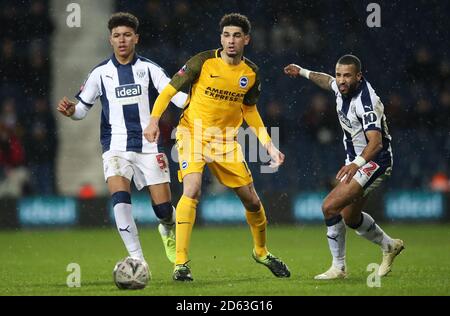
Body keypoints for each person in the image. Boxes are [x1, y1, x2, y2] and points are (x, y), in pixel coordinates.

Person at [144, 13, 291, 281]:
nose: (230, 41)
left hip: (226, 143)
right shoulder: (202, 61)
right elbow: (167, 91)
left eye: (236, 36)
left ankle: (261, 252)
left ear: (246, 39)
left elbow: (250, 110)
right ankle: (180, 264)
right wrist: (154, 121)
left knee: (252, 200)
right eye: (226, 35)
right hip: (192, 134)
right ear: (220, 38)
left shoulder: (251, 73)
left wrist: (269, 146)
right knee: (193, 188)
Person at [57, 12, 187, 270]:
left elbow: (176, 96)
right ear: (110, 40)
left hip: (149, 146)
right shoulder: (100, 73)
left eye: (127, 35)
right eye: (117, 36)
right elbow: (82, 109)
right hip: (114, 147)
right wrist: (72, 112)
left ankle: (168, 229)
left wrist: (199, 102)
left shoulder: (149, 68)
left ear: (136, 38)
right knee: (119, 197)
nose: (122, 40)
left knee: (163, 209)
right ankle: (137, 258)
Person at [284, 55, 404, 279]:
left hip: (374, 161)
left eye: (347, 75)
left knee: (329, 207)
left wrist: (356, 164)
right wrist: (301, 71)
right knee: (350, 218)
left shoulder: (366, 102)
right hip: (357, 160)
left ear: (358, 76)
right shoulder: (341, 87)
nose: (341, 80)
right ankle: (389, 245)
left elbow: (376, 143)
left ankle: (338, 268)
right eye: (339, 74)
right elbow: (325, 80)